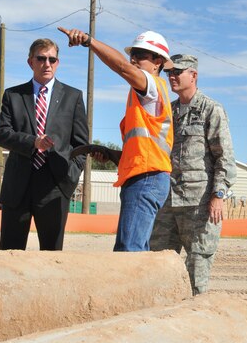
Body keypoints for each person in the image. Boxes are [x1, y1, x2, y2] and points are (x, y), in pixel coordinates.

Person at [58, 27, 174, 252]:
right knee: (132, 247)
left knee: (128, 251)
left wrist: (88, 41)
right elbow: (145, 147)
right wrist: (114, 156)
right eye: (133, 54)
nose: (133, 59)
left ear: (158, 61)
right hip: (144, 176)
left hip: (147, 178)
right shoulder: (144, 96)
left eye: (140, 55)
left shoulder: (152, 86)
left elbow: (121, 66)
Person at [150, 54, 237, 295]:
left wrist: (218, 195)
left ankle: (196, 322)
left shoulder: (211, 109)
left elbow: (225, 158)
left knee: (197, 269)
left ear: (194, 75)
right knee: (157, 266)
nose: (172, 76)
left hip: (199, 205)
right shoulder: (168, 110)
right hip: (167, 202)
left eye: (178, 71)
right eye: (169, 72)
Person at [0, 38, 89, 250]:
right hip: (18, 185)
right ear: (31, 62)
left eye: (52, 59)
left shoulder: (73, 97)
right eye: (41, 58)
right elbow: (2, 133)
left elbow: (81, 144)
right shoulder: (14, 95)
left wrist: (70, 177)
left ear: (58, 62)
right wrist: (33, 142)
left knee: (52, 254)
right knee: (11, 253)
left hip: (55, 186)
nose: (47, 64)